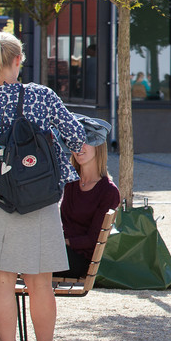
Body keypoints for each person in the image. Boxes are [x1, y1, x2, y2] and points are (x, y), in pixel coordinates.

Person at [0, 31, 87, 341]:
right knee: (40, 283)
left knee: (1, 281)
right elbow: (76, 136)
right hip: (39, 198)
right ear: (19, 60)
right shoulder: (42, 96)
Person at [54, 115, 120, 279]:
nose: (78, 147)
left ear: (98, 146)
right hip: (60, 251)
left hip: (80, 260)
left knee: (26, 258)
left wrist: (62, 242)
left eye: (85, 141)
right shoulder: (71, 182)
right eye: (74, 142)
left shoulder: (108, 191)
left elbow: (92, 239)